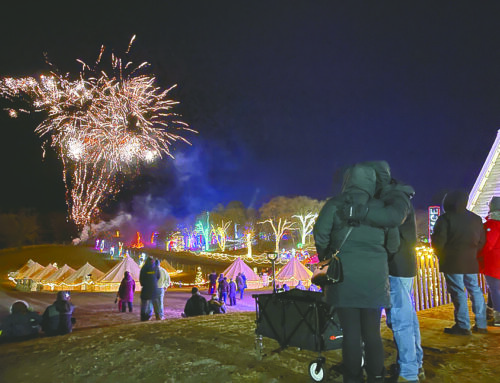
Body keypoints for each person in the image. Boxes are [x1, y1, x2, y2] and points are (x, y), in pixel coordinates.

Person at [314, 164, 400, 383]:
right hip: (374, 276)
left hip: (344, 276)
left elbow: (321, 235)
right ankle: (377, 376)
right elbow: (393, 244)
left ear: (347, 180)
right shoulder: (380, 207)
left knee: (350, 332)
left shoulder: (334, 204)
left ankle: (352, 378)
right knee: (372, 332)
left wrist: (329, 254)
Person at [345, 161, 424, 383]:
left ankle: (409, 372)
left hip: (395, 266)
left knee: (399, 319)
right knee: (406, 316)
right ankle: (415, 364)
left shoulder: (392, 199)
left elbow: (390, 227)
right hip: (402, 264)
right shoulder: (395, 195)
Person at [432, 190, 487, 335]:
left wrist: (441, 255)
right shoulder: (476, 219)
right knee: (475, 290)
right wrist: (473, 252)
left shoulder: (445, 219)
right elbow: (482, 241)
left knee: (458, 292)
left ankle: (463, 326)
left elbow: (438, 242)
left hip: (452, 261)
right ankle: (481, 324)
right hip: (471, 260)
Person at [478, 196, 500, 327]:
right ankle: (489, 311)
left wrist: (477, 255)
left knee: (495, 289)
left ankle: (498, 317)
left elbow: (488, 244)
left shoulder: (492, 224)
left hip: (494, 262)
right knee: (495, 289)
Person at [139, 256, 160, 321]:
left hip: (145, 288)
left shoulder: (144, 268)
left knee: (144, 303)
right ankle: (157, 316)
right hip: (154, 288)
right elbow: (158, 276)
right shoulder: (156, 268)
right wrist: (154, 283)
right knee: (155, 302)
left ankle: (143, 317)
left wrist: (143, 284)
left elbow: (141, 278)